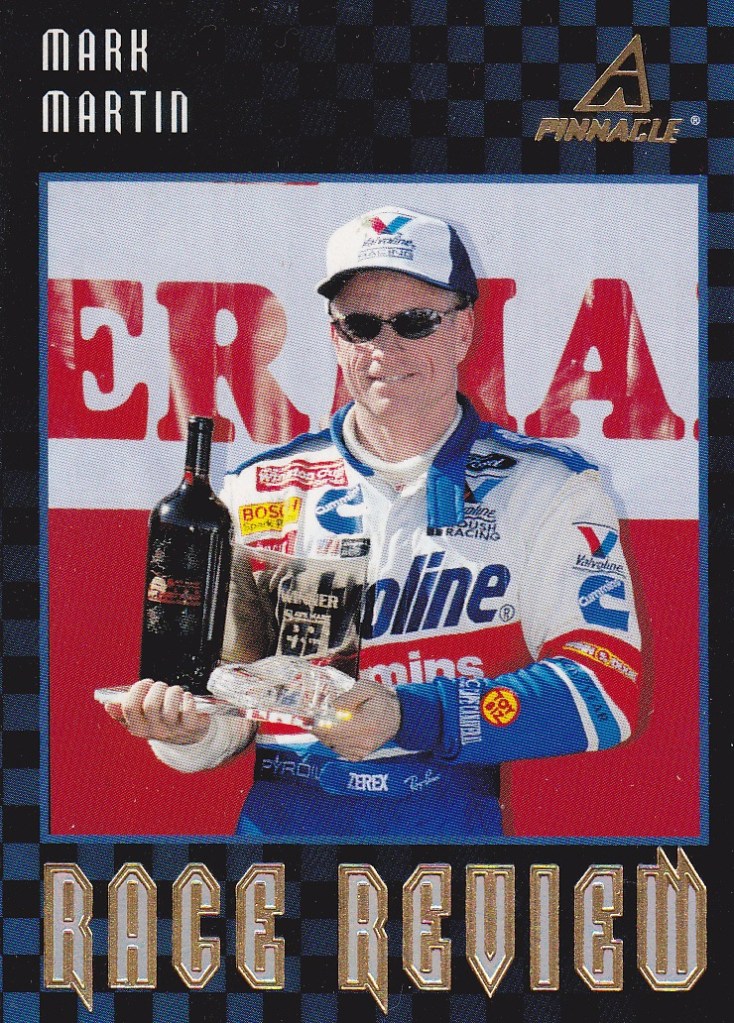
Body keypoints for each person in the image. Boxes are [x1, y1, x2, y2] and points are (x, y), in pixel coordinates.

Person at [106, 205, 643, 840]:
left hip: (445, 827)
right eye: (361, 325)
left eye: (415, 322)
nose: (385, 349)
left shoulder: (549, 489)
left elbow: (605, 689)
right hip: (283, 833)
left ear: (463, 329)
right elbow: (229, 703)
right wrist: (185, 730)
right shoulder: (257, 489)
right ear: (336, 338)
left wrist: (407, 715)